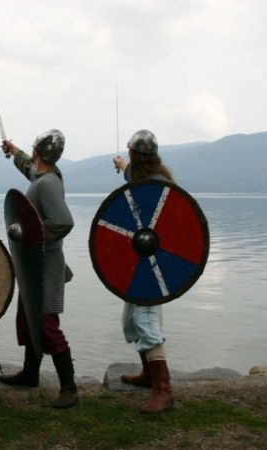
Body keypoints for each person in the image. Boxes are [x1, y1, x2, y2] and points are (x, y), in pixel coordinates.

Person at [0, 129, 78, 409]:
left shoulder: (48, 183)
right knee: (29, 317)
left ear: (37, 151)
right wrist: (14, 151)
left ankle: (69, 387)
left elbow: (63, 222)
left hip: (46, 264)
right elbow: (29, 169)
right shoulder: (42, 175)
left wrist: (32, 233)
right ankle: (30, 374)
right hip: (35, 263)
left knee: (45, 323)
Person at [112, 128, 175, 413]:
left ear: (135, 155)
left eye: (129, 154)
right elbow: (133, 177)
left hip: (153, 266)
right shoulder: (145, 178)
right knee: (132, 320)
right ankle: (149, 375)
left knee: (146, 321)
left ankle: (164, 390)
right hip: (142, 264)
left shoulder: (157, 186)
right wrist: (123, 167)